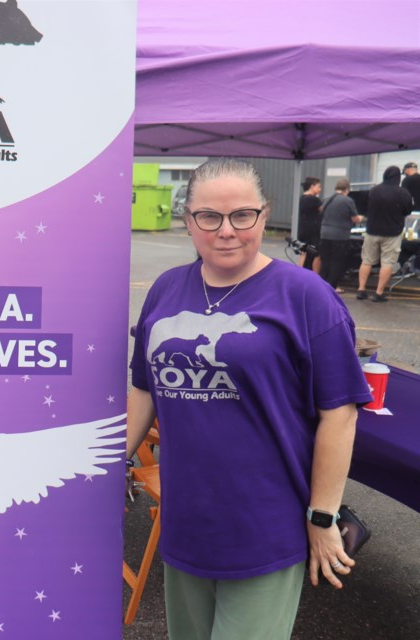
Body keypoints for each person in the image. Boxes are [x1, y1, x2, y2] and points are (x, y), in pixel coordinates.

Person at [126, 158, 372, 640]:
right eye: (209, 217)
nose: (226, 231)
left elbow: (339, 415)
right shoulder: (166, 290)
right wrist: (112, 463)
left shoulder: (306, 296)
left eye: (243, 215)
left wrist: (322, 516)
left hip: (264, 526)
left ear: (264, 214)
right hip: (186, 520)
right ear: (188, 219)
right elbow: (143, 389)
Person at [356, 165, 414, 302]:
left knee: (366, 261)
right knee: (387, 263)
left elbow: (364, 209)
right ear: (398, 178)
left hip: (372, 231)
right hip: (392, 233)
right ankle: (378, 293)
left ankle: (361, 289)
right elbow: (408, 210)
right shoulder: (403, 193)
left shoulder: (373, 191)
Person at [318, 179, 363, 293]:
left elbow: (320, 211)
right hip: (339, 236)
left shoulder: (327, 199)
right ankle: (332, 287)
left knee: (325, 261)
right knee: (337, 262)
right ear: (347, 189)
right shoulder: (348, 200)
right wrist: (361, 218)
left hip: (324, 234)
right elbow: (354, 218)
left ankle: (321, 285)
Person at [297, 177, 322, 272]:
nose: (320, 189)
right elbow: (323, 211)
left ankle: (298, 274)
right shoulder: (314, 200)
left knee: (304, 253)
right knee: (317, 254)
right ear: (312, 186)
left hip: (303, 230)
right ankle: (315, 277)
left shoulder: (301, 198)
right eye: (318, 186)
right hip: (313, 231)